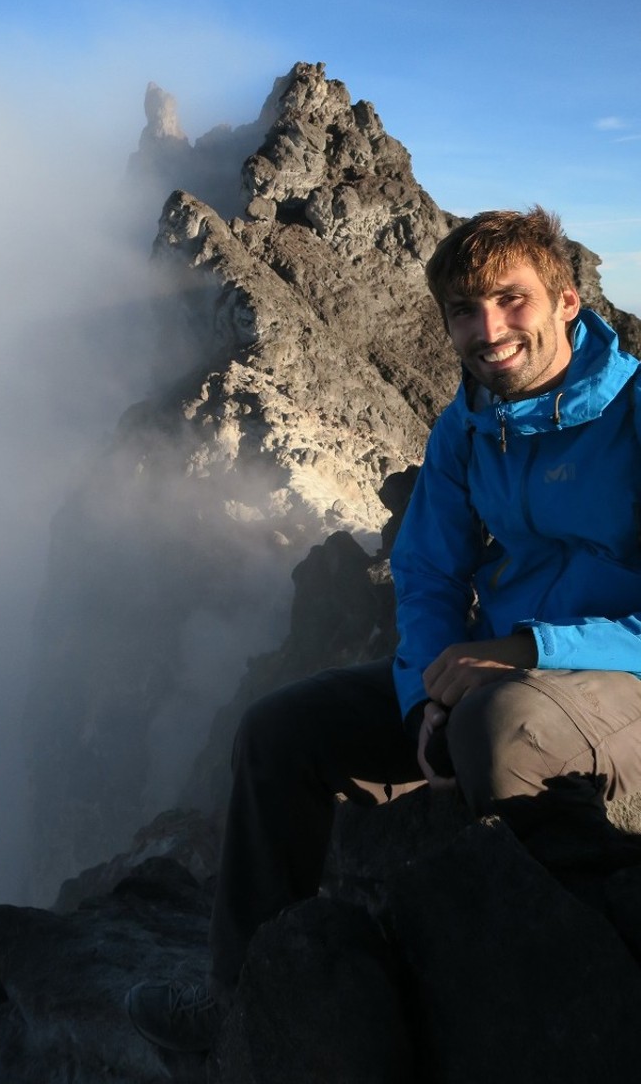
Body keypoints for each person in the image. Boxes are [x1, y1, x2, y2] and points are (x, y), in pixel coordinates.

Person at [126, 206, 641, 1053]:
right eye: (465, 311)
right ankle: (243, 1007)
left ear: (567, 304)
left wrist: (529, 652)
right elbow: (430, 571)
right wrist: (420, 701)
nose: (490, 329)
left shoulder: (629, 417)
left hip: (610, 678)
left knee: (501, 729)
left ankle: (594, 1000)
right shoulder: (471, 427)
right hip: (500, 677)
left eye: (513, 301)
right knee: (279, 732)